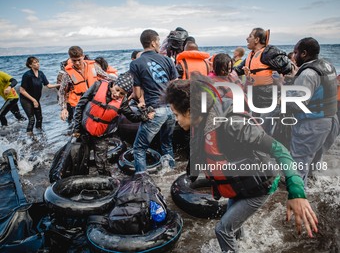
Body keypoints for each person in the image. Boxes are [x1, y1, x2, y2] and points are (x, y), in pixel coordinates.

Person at [165, 73, 318, 253]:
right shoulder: (202, 122)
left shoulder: (232, 124)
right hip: (240, 182)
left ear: (190, 111)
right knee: (234, 230)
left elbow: (279, 149)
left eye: (176, 115)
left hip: (261, 185)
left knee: (222, 230)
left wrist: (297, 192)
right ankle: (244, 246)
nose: (175, 120)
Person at [72, 71, 154, 176]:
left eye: (122, 94)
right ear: (114, 84)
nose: (117, 95)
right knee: (81, 157)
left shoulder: (122, 101)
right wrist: (76, 129)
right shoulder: (97, 86)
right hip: (84, 129)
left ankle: (108, 182)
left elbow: (132, 117)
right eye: (117, 90)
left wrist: (145, 116)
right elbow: (80, 105)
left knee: (101, 163)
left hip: (102, 135)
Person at [288, 37, 339, 186]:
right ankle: (314, 192)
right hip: (331, 120)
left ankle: (298, 200)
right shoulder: (328, 66)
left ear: (303, 53)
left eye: (296, 52)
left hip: (312, 124)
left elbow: (298, 104)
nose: (294, 56)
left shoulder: (308, 74)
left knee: (298, 164)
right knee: (314, 161)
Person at [130, 29, 178, 174]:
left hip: (155, 110)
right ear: (152, 42)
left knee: (139, 149)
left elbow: (138, 93)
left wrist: (133, 97)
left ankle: (142, 181)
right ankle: (171, 175)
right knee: (167, 143)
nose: (159, 44)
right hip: (170, 109)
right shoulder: (167, 60)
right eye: (158, 41)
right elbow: (175, 85)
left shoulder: (136, 63)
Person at [58, 46, 116, 123]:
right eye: (74, 61)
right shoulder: (67, 74)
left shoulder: (93, 66)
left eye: (79, 60)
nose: (77, 63)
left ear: (83, 56)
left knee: (95, 122)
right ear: (70, 59)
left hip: (93, 101)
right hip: (78, 105)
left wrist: (119, 83)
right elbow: (62, 92)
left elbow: (107, 77)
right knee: (78, 125)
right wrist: (63, 109)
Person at [20, 56, 59, 136]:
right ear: (30, 65)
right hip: (26, 99)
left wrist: (60, 84)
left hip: (36, 100)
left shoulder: (41, 73)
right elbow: (22, 91)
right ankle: (29, 138)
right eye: (35, 63)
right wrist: (34, 100)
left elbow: (48, 85)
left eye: (38, 62)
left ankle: (40, 134)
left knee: (40, 118)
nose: (37, 64)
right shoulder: (27, 75)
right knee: (32, 119)